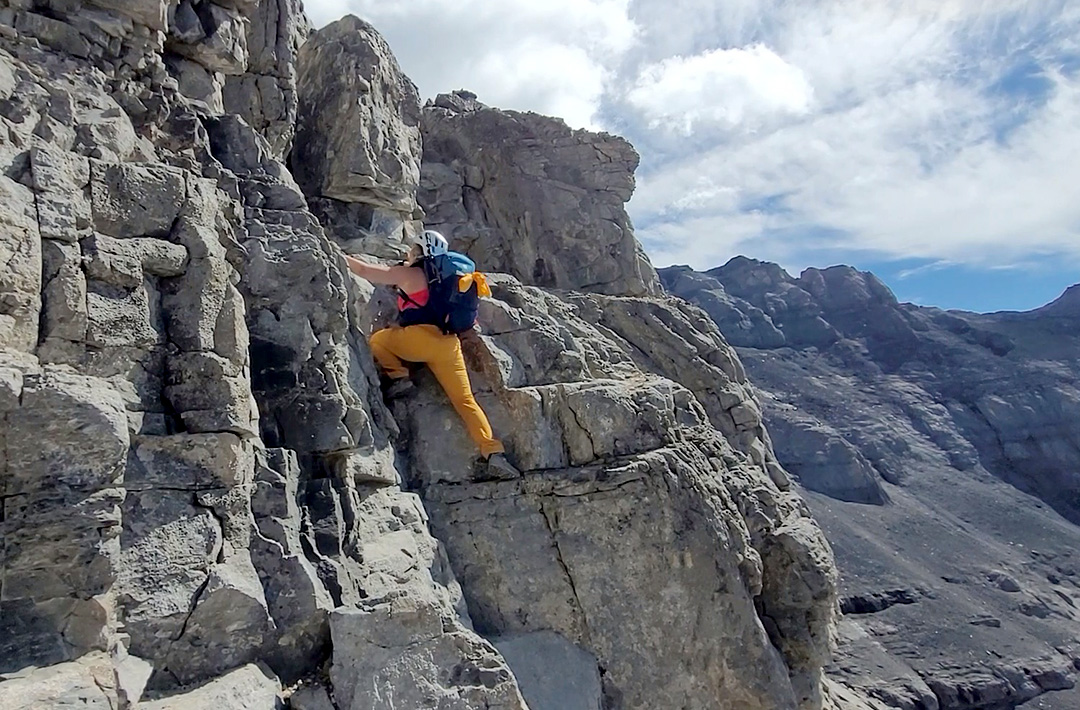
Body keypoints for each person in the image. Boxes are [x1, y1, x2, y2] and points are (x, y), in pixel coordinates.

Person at [344, 230, 519, 479]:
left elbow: (364, 271)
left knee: (378, 339)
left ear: (420, 250)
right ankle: (493, 451)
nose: (408, 251)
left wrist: (334, 252)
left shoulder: (410, 273)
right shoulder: (447, 278)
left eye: (412, 247)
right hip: (448, 344)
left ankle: (399, 376)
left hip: (419, 339)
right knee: (466, 401)